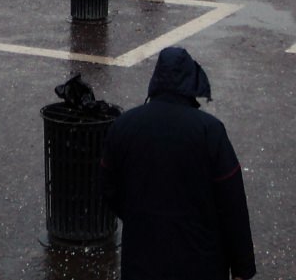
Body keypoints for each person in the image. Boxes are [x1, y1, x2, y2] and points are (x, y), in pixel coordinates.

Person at [101, 46, 256, 280]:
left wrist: (137, 215)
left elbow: (108, 187)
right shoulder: (209, 130)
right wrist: (243, 267)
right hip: (200, 259)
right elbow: (232, 203)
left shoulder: (124, 125)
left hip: (142, 257)